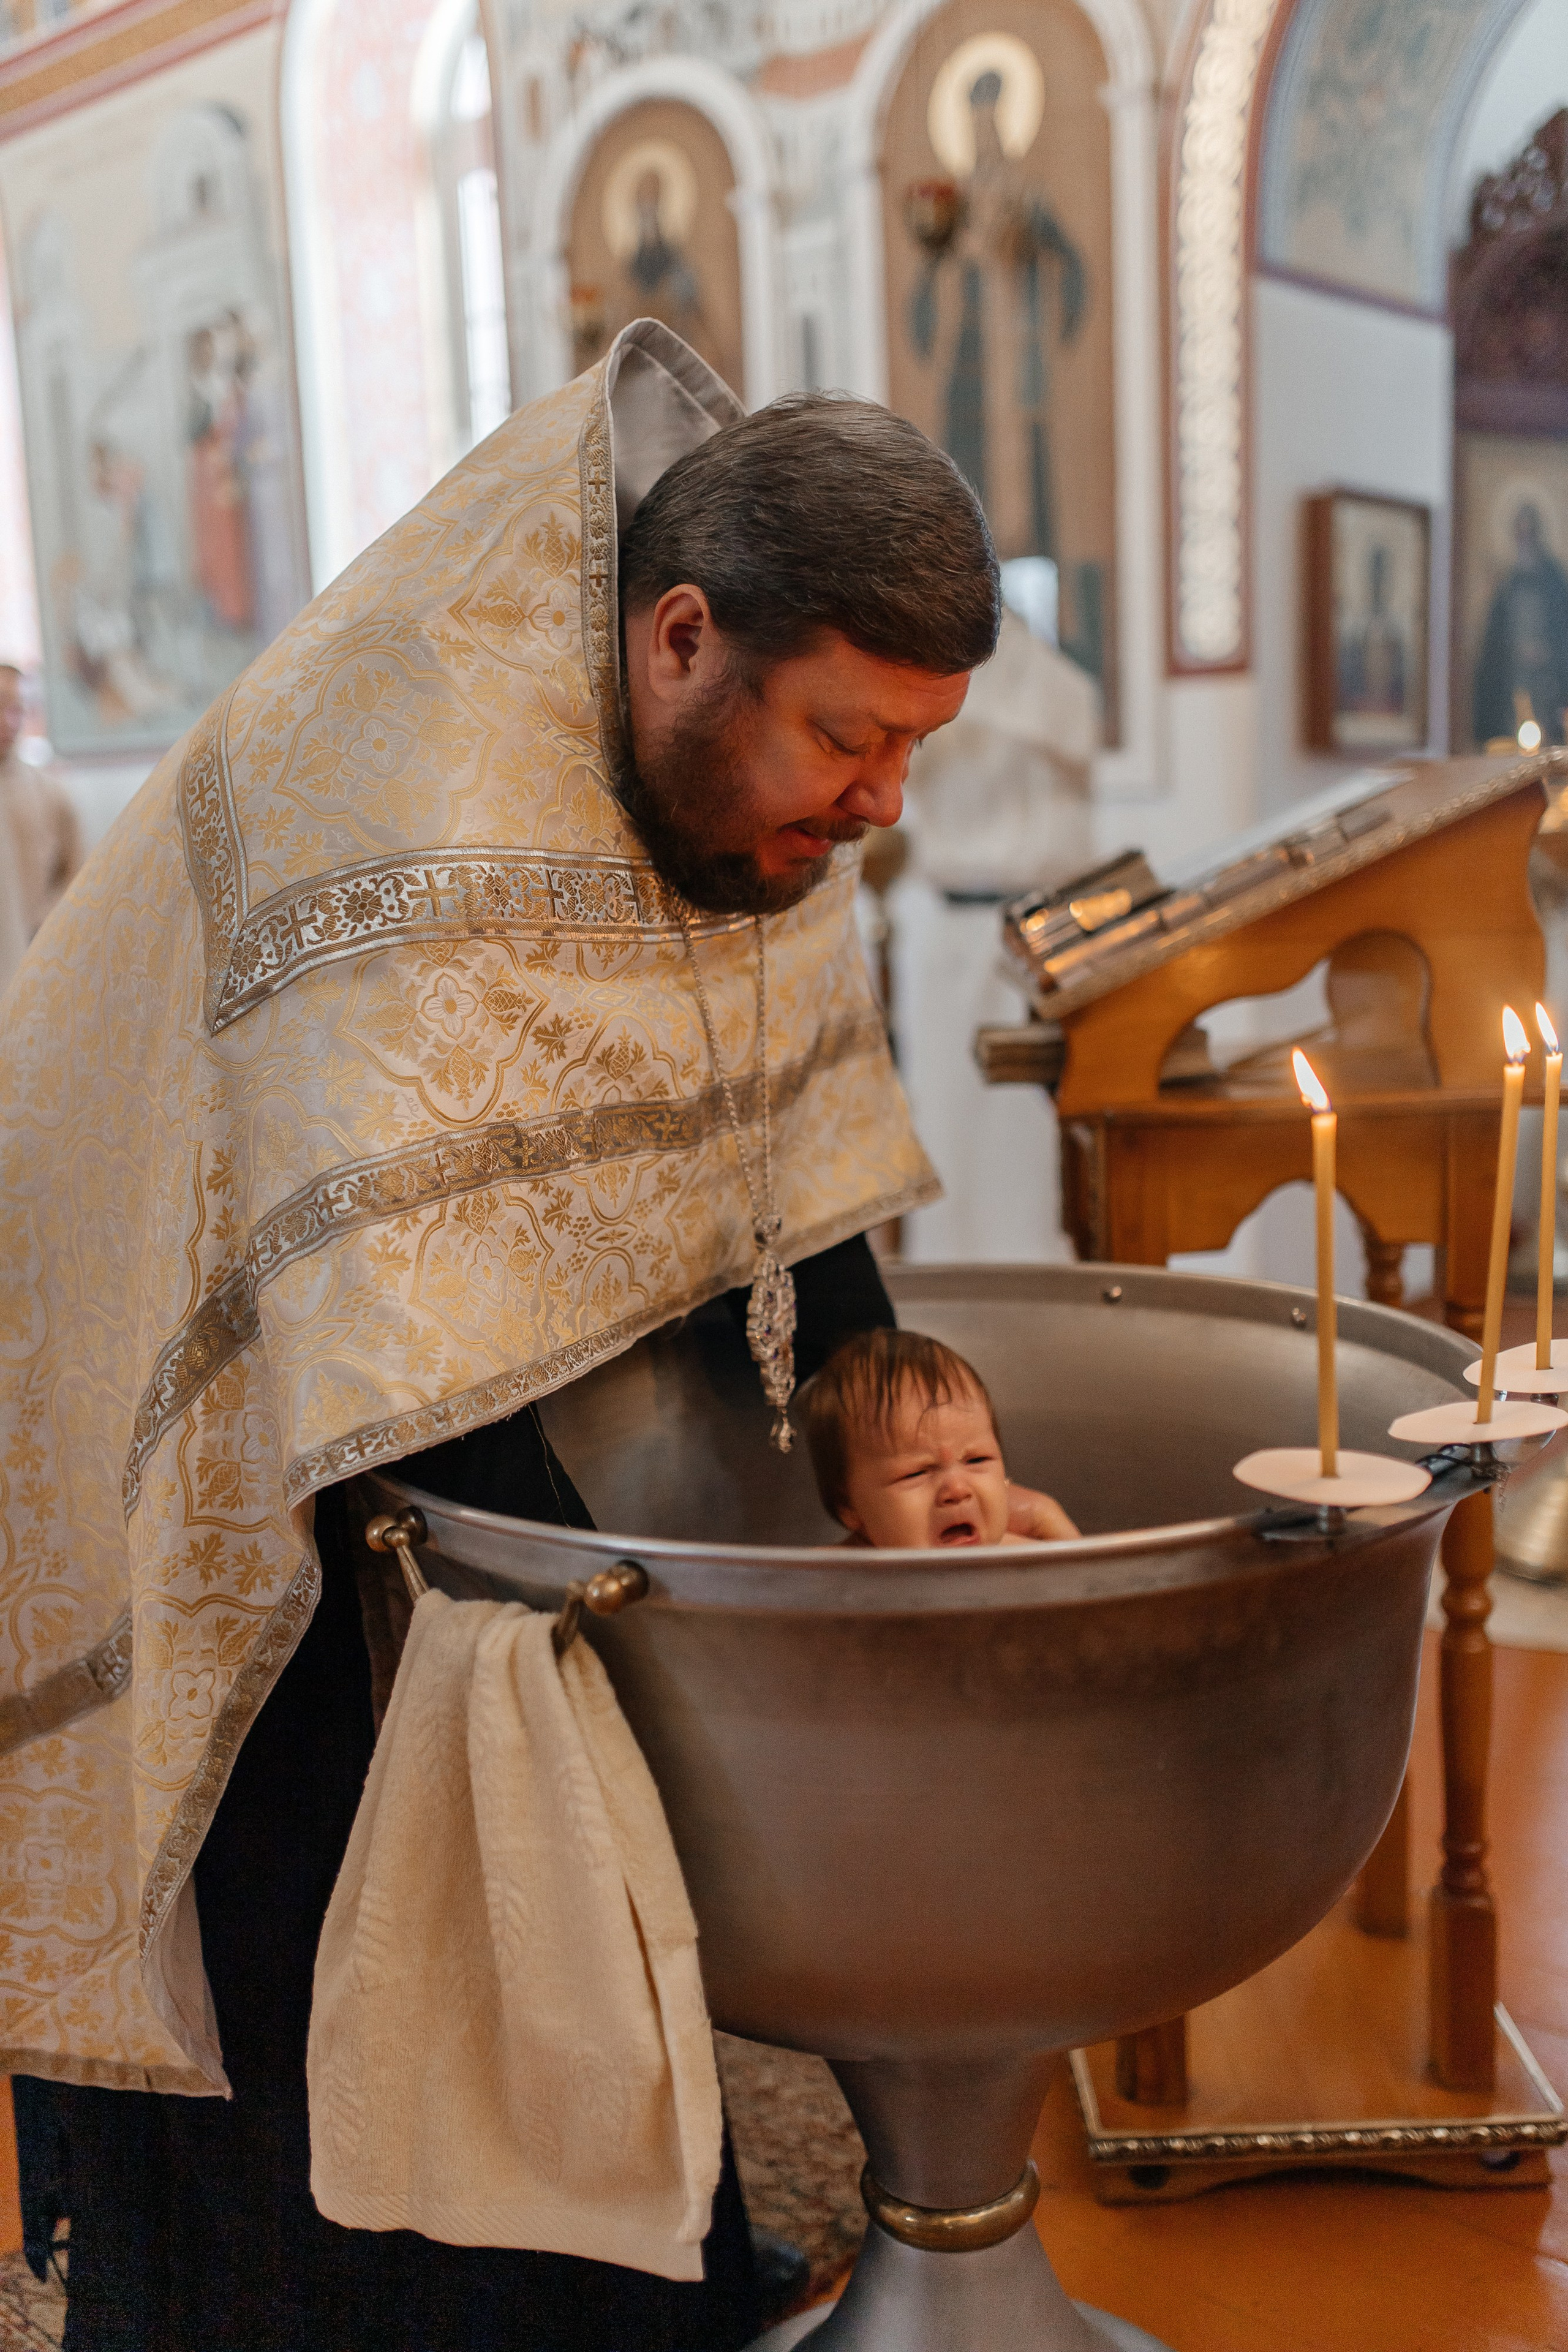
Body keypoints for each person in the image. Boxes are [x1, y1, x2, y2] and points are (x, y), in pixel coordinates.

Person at [0, 320, 997, 2350]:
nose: (883, 802)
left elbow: (774, 1136)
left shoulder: (751, 774)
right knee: (338, 1931)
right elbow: (395, 1388)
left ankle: (616, 2262)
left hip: (415, 1349)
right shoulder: (389, 800)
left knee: (568, 1845)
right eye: (852, 739)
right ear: (680, 640)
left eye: (916, 747)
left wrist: (900, 1437)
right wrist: (701, 1645)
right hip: (196, 1360)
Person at [802, 1327, 1077, 1548]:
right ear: (848, 1505)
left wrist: (1044, 1515)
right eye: (916, 1473)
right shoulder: (825, 1584)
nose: (957, 1490)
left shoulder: (1022, 1563)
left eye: (977, 1460)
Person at [0, 663, 83, 995]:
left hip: (32, 970)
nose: (8, 722)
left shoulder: (50, 793)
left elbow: (78, 877)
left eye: (15, 709)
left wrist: (44, 925)